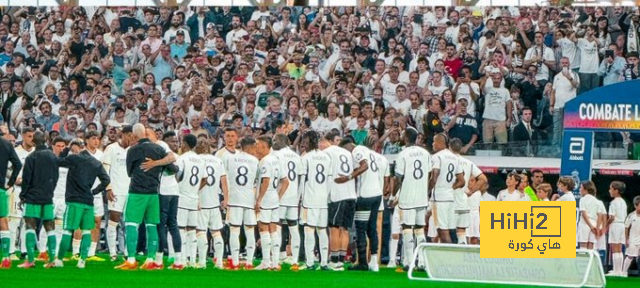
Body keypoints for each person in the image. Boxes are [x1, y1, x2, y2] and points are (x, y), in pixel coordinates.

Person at [115, 123, 177, 270]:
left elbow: (129, 172)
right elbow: (173, 168)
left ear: (134, 136)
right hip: (154, 193)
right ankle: (150, 260)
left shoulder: (133, 150)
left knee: (131, 224)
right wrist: (157, 164)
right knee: (152, 226)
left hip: (137, 192)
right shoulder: (159, 148)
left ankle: (131, 260)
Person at [51, 137, 111, 269]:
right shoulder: (96, 162)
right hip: (88, 202)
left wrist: (66, 149)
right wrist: (94, 192)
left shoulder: (74, 159)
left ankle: (59, 259)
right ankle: (82, 261)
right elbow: (106, 180)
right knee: (86, 232)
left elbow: (57, 161)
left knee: (67, 230)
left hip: (74, 201)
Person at [336, 136, 381, 271]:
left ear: (348, 147)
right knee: (372, 228)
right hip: (376, 194)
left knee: (361, 229)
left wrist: (348, 177)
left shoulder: (357, 150)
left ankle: (362, 262)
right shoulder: (369, 152)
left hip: (365, 195)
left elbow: (365, 166)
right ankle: (374, 262)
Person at [18, 131, 59, 268]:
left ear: (33, 142)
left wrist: (23, 195)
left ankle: (30, 260)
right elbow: (56, 176)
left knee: (30, 225)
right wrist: (50, 191)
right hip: (48, 197)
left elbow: (27, 179)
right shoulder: (53, 156)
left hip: (32, 197)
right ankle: (52, 259)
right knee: (50, 226)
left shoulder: (31, 157)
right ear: (46, 140)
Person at [392, 128, 431, 270]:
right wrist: (426, 191)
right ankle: (422, 262)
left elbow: (398, 178)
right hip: (422, 197)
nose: (401, 136)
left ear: (407, 138)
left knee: (407, 228)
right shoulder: (426, 153)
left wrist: (392, 195)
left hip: (407, 197)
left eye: (403, 135)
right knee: (420, 229)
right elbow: (430, 174)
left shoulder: (403, 154)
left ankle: (409, 262)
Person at [319, 132, 356, 272]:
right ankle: (341, 259)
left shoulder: (327, 153)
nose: (320, 146)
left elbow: (326, 175)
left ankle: (334, 260)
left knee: (334, 227)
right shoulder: (347, 153)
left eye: (321, 142)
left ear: (327, 141)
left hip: (336, 194)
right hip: (351, 194)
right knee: (345, 228)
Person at [224, 137, 260, 270]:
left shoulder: (230, 158)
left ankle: (234, 262)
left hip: (234, 200)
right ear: (249, 147)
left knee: (234, 230)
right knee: (250, 230)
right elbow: (257, 181)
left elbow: (225, 178)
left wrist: (226, 197)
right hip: (249, 200)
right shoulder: (255, 161)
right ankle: (249, 262)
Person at [299, 131, 332, 271]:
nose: (303, 144)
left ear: (311, 142)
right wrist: (327, 196)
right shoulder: (326, 157)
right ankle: (324, 262)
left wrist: (299, 198)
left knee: (308, 230)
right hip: (323, 199)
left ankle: (310, 263)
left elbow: (302, 180)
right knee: (322, 230)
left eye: (305, 141)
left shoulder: (306, 158)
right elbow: (329, 180)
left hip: (309, 199)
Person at [254, 135, 287, 271]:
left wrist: (259, 199)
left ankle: (266, 262)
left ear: (264, 146)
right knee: (273, 230)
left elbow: (266, 181)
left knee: (264, 229)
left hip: (266, 198)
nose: (256, 148)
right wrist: (278, 196)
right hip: (273, 198)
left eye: (258, 145)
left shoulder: (265, 161)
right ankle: (275, 262)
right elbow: (285, 181)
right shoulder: (276, 160)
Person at [195, 138, 228, 270]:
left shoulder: (197, 160)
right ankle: (219, 262)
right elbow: (224, 181)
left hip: (200, 200)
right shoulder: (217, 161)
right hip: (214, 200)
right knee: (216, 232)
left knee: (200, 232)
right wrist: (226, 198)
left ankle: (202, 262)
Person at [272, 134, 302, 269]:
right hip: (294, 196)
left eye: (275, 140)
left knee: (277, 226)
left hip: (281, 195)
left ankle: (277, 257)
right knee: (293, 227)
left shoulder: (277, 155)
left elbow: (276, 176)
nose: (273, 143)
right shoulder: (296, 156)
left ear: (281, 142)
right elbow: (301, 177)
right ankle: (294, 259)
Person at [175, 134, 206, 268]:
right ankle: (193, 260)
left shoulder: (182, 159)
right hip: (194, 197)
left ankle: (182, 259)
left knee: (181, 229)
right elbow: (205, 179)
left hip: (182, 197)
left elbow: (177, 176)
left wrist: (180, 185)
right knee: (192, 230)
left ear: (185, 144)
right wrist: (194, 188)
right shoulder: (200, 160)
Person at [103, 125, 133, 262]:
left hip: (131, 192)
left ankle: (128, 252)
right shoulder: (111, 148)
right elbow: (105, 170)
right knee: (113, 221)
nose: (132, 139)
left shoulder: (133, 150)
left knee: (130, 223)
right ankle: (113, 253)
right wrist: (108, 188)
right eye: (130, 136)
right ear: (124, 134)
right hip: (116, 190)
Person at [450, 138, 487, 245]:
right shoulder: (468, 163)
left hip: (449, 200)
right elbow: (483, 179)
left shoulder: (447, 160)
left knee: (445, 231)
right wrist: (471, 191)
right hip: (463, 200)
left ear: (449, 147)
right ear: (461, 148)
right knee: (461, 231)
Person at [430, 133, 465, 244]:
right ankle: (453, 256)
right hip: (450, 197)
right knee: (450, 230)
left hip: (439, 197)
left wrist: (427, 191)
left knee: (442, 231)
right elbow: (462, 181)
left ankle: (448, 258)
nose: (432, 144)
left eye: (434, 141)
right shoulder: (455, 157)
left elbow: (434, 176)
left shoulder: (437, 157)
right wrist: (450, 187)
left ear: (441, 143)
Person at [0, 127, 21, 268]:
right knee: (3, 221)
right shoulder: (7, 145)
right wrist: (10, 182)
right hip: (1, 188)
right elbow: (18, 164)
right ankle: (6, 257)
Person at [606, 181, 628, 276]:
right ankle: (620, 270)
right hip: (622, 225)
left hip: (615, 225)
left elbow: (612, 217)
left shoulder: (613, 202)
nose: (609, 190)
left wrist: (605, 225)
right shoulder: (623, 202)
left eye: (611, 189)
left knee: (614, 248)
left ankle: (616, 270)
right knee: (619, 248)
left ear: (616, 190)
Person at [620, 196, 640, 278]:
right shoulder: (631, 215)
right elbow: (626, 227)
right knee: (630, 256)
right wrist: (626, 239)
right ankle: (624, 272)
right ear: (636, 205)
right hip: (632, 239)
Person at [577, 181, 599, 250]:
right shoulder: (596, 200)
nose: (579, 190)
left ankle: (583, 261)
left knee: (583, 245)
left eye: (581, 188)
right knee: (591, 246)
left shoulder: (583, 199)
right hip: (594, 223)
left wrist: (590, 226)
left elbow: (584, 213)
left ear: (585, 189)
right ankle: (591, 260)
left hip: (585, 223)